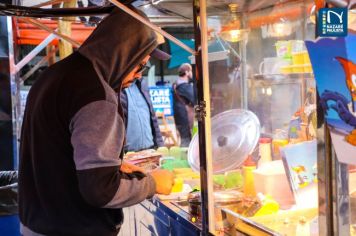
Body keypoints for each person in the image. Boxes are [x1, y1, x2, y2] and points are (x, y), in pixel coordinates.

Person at [19, 7, 174, 236]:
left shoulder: (54, 75)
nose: (140, 75)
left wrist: (112, 165)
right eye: (140, 65)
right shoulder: (96, 95)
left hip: (37, 223)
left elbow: (54, 149)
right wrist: (153, 184)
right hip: (73, 228)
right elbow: (100, 191)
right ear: (122, 53)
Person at [121, 74, 165, 152]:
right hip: (126, 154)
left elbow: (152, 116)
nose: (140, 72)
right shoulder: (115, 86)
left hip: (149, 150)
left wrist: (160, 144)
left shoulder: (142, 83)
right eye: (140, 66)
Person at [173, 63, 196, 147]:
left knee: (184, 140)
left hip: (179, 118)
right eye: (191, 71)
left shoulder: (176, 84)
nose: (192, 74)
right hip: (185, 119)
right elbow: (195, 100)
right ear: (187, 72)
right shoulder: (184, 86)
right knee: (186, 142)